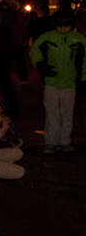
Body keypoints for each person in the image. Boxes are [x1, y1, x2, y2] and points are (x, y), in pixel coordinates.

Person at [29, 8, 85, 154]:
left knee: (67, 114)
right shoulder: (47, 37)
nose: (62, 29)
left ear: (71, 25)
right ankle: (51, 142)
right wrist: (41, 65)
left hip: (69, 83)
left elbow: (85, 60)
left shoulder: (79, 39)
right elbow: (35, 51)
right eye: (60, 25)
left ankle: (65, 141)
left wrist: (83, 78)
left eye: (66, 25)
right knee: (52, 113)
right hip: (51, 82)